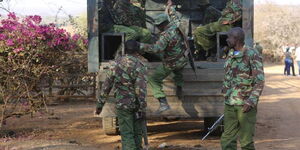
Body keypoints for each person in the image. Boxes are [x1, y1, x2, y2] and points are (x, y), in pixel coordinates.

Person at [95, 40, 148, 150]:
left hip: (122, 105)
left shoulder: (116, 64)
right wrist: (142, 107)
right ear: (137, 50)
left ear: (125, 49)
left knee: (127, 134)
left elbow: (106, 86)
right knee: (138, 133)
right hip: (137, 105)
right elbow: (141, 89)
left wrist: (99, 106)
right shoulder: (140, 65)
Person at [139, 0, 188, 114]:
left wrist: (140, 46)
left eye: (159, 26)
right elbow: (173, 16)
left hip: (172, 62)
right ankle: (180, 87)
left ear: (163, 24)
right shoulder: (176, 26)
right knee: (177, 70)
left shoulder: (165, 35)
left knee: (153, 80)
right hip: (182, 59)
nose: (158, 28)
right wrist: (169, 8)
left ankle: (163, 103)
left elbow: (156, 49)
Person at [221, 27, 265, 150]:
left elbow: (259, 81)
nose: (227, 40)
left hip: (245, 105)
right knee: (227, 139)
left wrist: (251, 101)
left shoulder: (252, 54)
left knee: (246, 142)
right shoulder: (230, 53)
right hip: (230, 104)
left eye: (229, 37)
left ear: (237, 39)